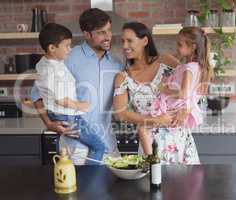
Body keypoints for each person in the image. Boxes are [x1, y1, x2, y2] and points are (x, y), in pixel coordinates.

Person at [31, 8, 123, 164]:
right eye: (101, 32)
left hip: (108, 144)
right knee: (81, 188)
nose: (108, 36)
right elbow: (36, 93)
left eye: (109, 30)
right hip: (76, 148)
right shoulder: (66, 57)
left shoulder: (117, 63)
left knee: (115, 188)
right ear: (87, 34)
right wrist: (48, 123)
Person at [113, 22, 200, 164]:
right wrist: (156, 120)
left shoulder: (166, 61)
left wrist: (188, 108)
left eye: (129, 41)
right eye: (123, 41)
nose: (124, 46)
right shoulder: (122, 77)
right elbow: (120, 113)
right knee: (155, 183)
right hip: (149, 144)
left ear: (145, 41)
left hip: (180, 140)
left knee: (188, 184)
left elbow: (192, 85)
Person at [137, 26, 214, 155]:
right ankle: (151, 160)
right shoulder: (197, 67)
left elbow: (184, 93)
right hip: (178, 108)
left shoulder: (189, 68)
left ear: (193, 47)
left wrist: (164, 89)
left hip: (173, 107)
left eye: (180, 44)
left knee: (143, 128)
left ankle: (150, 160)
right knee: (145, 128)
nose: (177, 47)